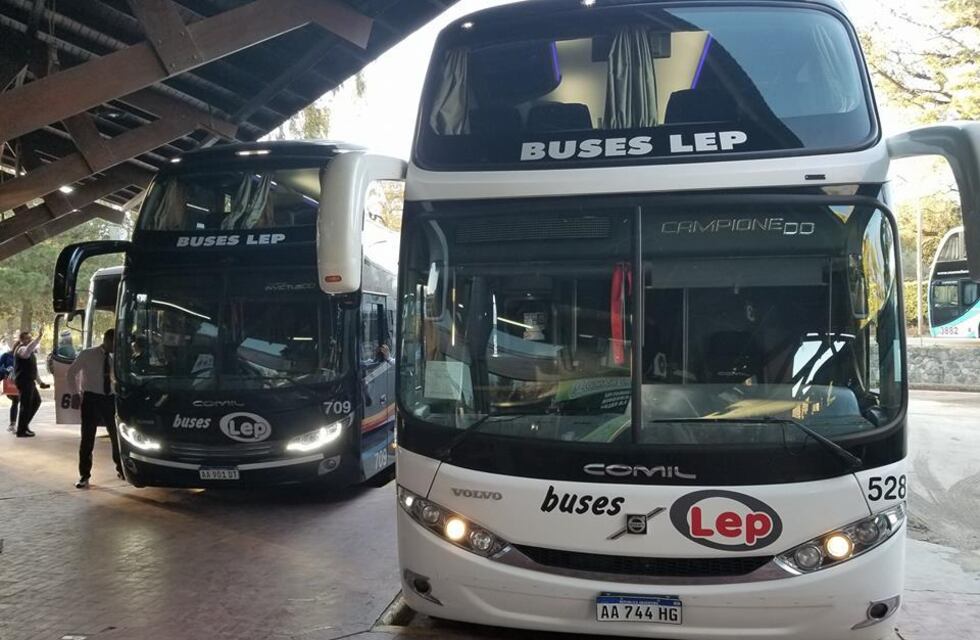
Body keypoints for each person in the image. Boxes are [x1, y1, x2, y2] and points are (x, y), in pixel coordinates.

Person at [67, 329, 122, 489]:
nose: (115, 346)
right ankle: (84, 475)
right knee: (87, 438)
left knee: (116, 435)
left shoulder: (118, 356)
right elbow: (71, 373)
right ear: (107, 340)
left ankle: (121, 468)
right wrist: (75, 393)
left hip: (110, 399)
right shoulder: (87, 354)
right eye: (114, 343)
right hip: (91, 399)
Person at [13, 328, 49, 437]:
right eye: (27, 338)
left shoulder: (30, 352)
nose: (29, 340)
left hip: (30, 381)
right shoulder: (21, 350)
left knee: (36, 401)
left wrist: (40, 382)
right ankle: (21, 430)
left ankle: (24, 426)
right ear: (21, 340)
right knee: (25, 405)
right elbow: (28, 349)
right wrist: (39, 337)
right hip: (24, 381)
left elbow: (34, 369)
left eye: (30, 338)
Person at [0, 345, 18, 433]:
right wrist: (6, 370)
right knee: (16, 400)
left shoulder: (24, 356)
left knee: (16, 400)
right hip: (7, 380)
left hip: (19, 382)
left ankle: (12, 424)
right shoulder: (6, 355)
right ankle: (12, 425)